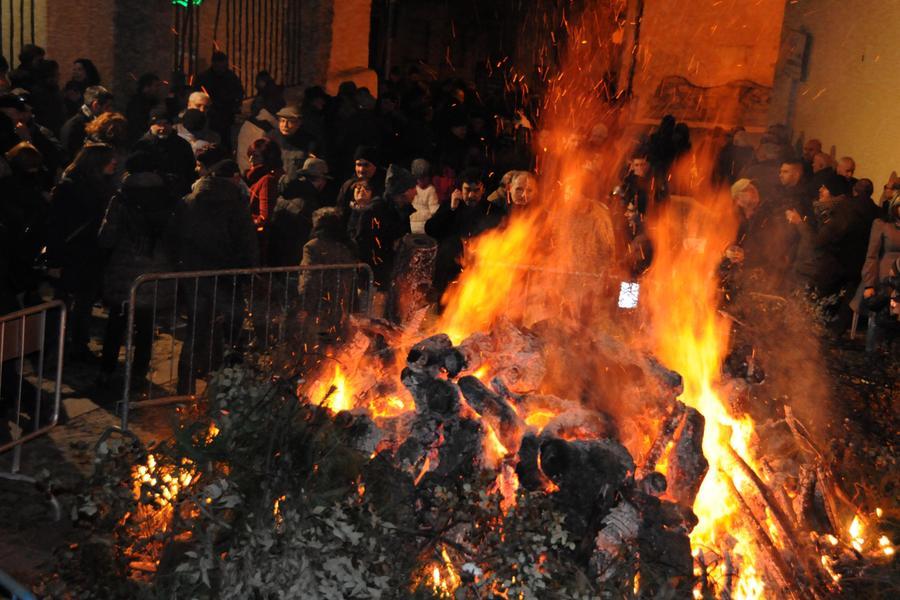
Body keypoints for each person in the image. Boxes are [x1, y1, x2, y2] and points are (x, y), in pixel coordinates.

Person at [165, 155, 259, 393]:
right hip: (227, 277)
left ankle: (185, 388)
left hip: (194, 276)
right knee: (228, 333)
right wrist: (247, 274)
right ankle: (222, 388)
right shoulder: (236, 205)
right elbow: (247, 242)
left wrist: (180, 269)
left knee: (197, 330)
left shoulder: (188, 201)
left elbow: (174, 237)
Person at [96, 151, 176, 385]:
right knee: (145, 325)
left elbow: (107, 237)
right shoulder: (168, 197)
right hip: (155, 270)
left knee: (116, 322)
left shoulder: (122, 198)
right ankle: (139, 373)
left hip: (124, 269)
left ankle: (107, 369)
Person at [46, 143, 118, 361]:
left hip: (91, 254)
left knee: (84, 301)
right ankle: (56, 346)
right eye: (110, 159)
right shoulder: (70, 188)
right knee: (64, 301)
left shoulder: (102, 186)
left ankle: (78, 344)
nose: (115, 162)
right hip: (72, 254)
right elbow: (56, 226)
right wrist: (54, 261)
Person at [425, 167, 503, 296]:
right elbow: (430, 229)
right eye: (468, 190)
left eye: (476, 190)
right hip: (449, 272)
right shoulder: (451, 206)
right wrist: (451, 209)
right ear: (460, 189)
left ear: (483, 190)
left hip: (480, 273)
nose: (472, 195)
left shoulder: (492, 211)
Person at [348, 164, 415, 291]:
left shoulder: (402, 211)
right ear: (404, 191)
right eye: (413, 188)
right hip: (375, 278)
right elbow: (363, 241)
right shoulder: (376, 210)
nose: (416, 192)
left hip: (394, 274)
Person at [297, 207, 359, 337]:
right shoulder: (347, 246)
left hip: (319, 303)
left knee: (317, 342)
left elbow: (309, 277)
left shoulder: (312, 247)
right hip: (342, 303)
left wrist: (304, 305)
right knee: (338, 342)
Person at [267, 157, 331, 266]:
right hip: (296, 261)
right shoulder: (309, 203)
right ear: (320, 180)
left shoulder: (283, 196)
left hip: (276, 259)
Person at [132, 107, 196, 196]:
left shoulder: (182, 145)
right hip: (151, 194)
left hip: (178, 193)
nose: (163, 128)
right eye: (158, 124)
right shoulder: (142, 146)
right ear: (151, 125)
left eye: (166, 123)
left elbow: (190, 169)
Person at [196, 51, 243, 151]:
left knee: (225, 140)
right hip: (209, 114)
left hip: (226, 114)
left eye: (222, 66)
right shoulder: (204, 77)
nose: (220, 69)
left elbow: (239, 93)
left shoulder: (231, 77)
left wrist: (235, 107)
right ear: (213, 64)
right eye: (218, 66)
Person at [59, 85, 113, 160]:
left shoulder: (86, 121)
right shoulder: (76, 126)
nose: (110, 111)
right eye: (107, 107)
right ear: (96, 105)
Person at [244, 137, 283, 231]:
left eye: (256, 156)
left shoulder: (267, 179)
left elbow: (265, 217)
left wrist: (245, 225)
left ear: (268, 158)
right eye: (250, 155)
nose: (251, 160)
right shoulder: (255, 176)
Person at [268, 104, 316, 180]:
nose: (285, 125)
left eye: (290, 122)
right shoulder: (272, 137)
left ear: (299, 123)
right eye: (282, 121)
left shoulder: (307, 141)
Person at [335, 145, 385, 214]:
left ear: (375, 166)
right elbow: (340, 210)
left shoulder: (385, 187)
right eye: (358, 165)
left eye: (366, 165)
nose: (361, 169)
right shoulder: (348, 186)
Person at [125, 73, 163, 143]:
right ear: (146, 87)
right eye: (156, 86)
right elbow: (137, 126)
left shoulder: (154, 102)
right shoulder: (136, 104)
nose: (158, 89)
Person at [409, 158, 439, 233]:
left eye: (425, 177)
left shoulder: (431, 190)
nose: (423, 180)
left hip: (424, 225)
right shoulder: (412, 189)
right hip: (411, 224)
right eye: (420, 178)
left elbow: (434, 211)